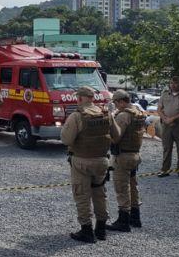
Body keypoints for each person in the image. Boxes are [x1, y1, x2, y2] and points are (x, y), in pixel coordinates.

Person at [61, 86, 119, 243]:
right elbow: (117, 135)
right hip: (102, 161)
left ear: (80, 98)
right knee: (100, 194)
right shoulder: (106, 113)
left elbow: (66, 140)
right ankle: (101, 229)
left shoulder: (77, 116)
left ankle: (86, 231)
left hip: (81, 161)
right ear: (92, 98)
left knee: (82, 195)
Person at [107, 89, 146, 232]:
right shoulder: (137, 112)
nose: (115, 106)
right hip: (135, 154)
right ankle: (135, 218)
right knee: (133, 187)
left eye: (116, 103)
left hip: (122, 156)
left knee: (122, 188)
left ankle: (123, 221)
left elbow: (115, 137)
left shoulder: (123, 116)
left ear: (122, 101)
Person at [157, 77, 179, 179]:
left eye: (176, 83)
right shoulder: (164, 94)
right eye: (171, 83)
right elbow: (159, 109)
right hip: (166, 126)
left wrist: (173, 119)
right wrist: (166, 119)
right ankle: (165, 170)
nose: (173, 85)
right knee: (166, 148)